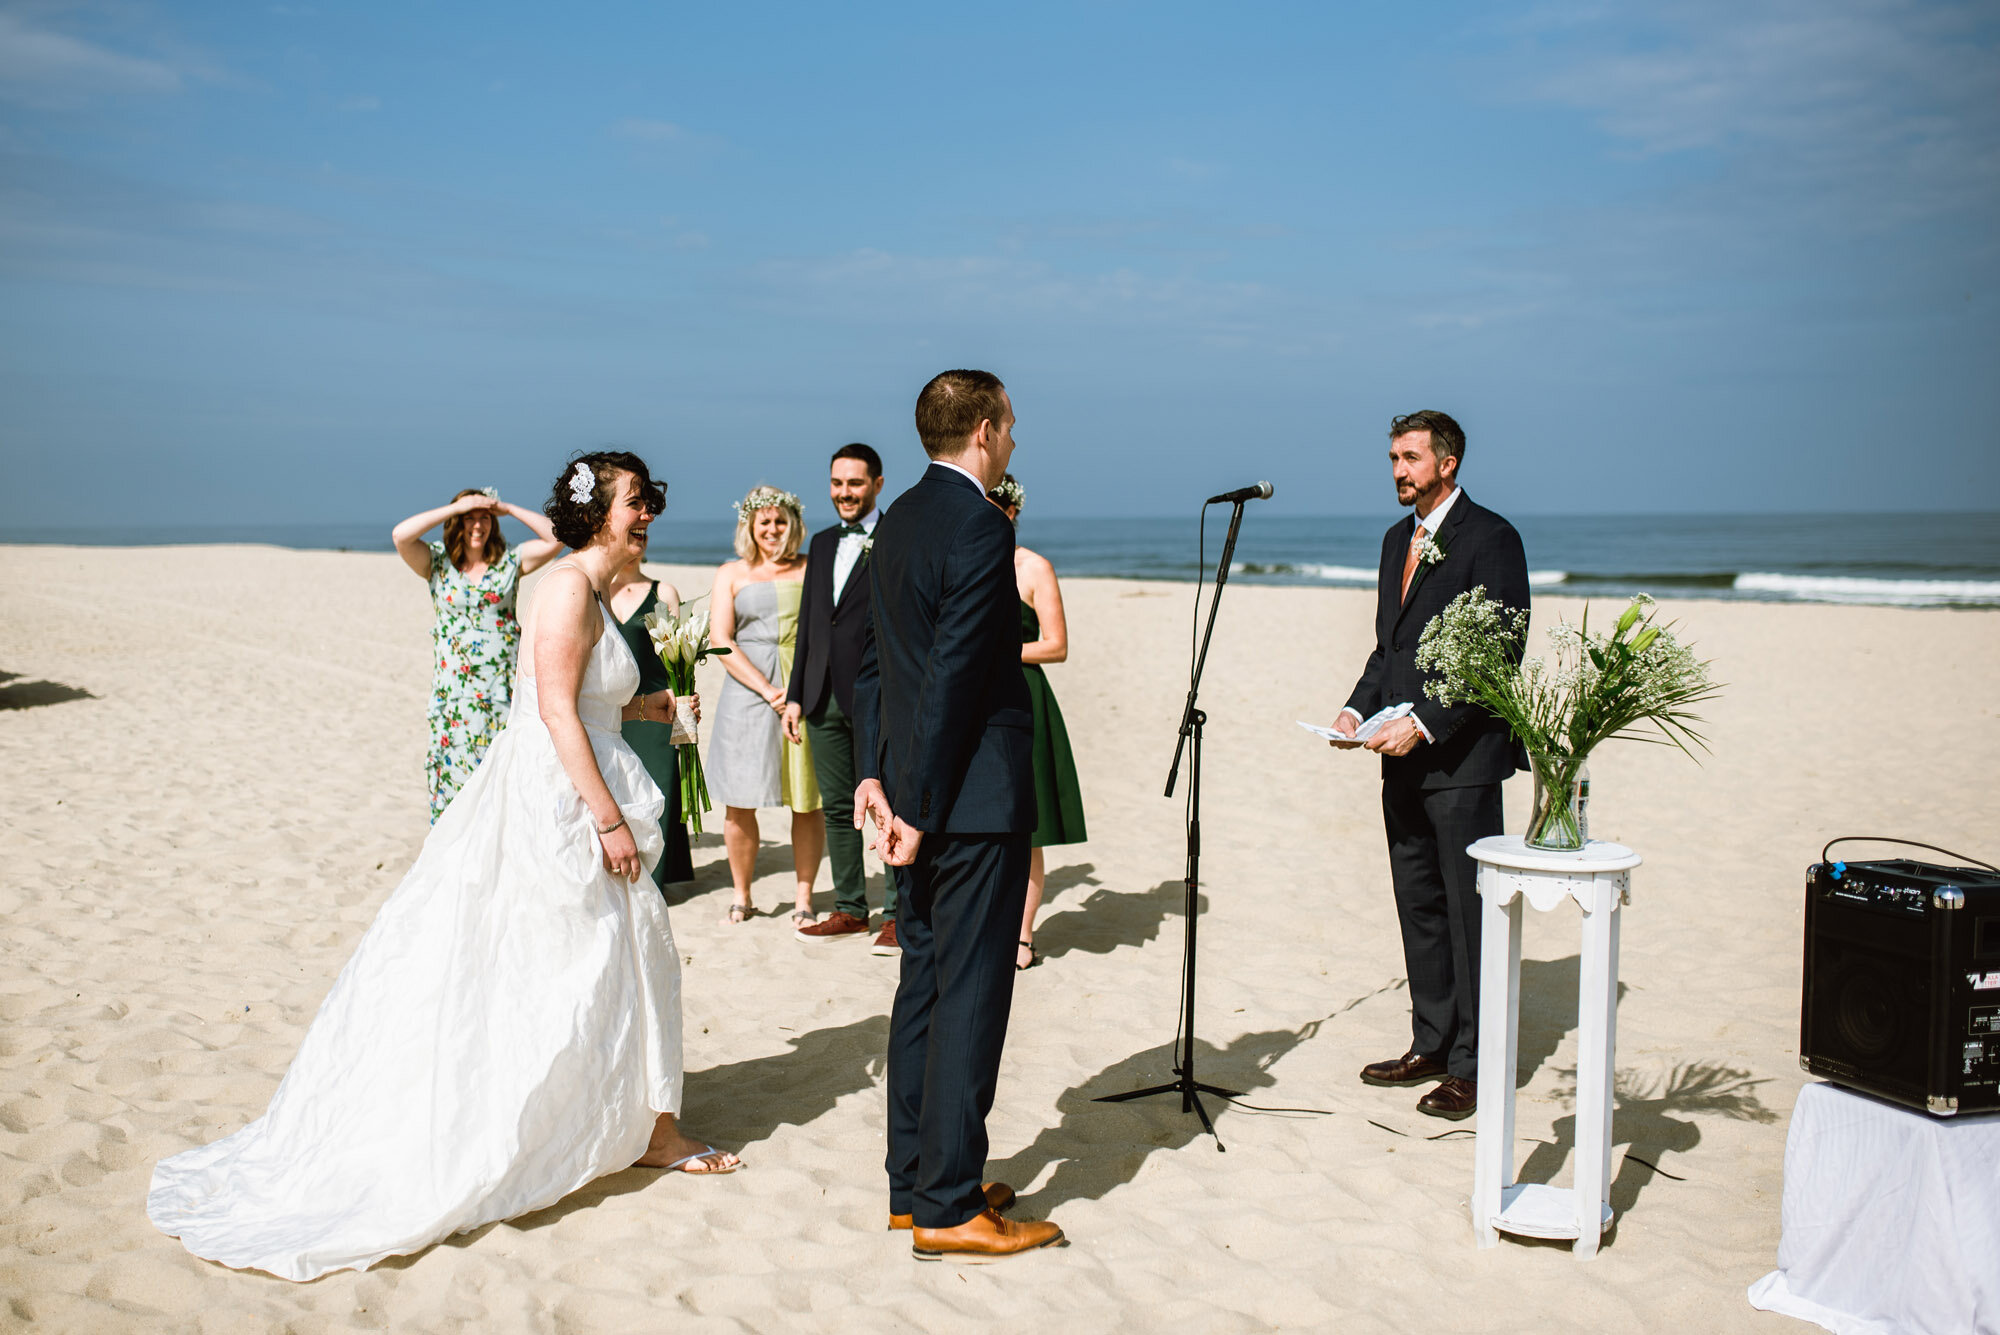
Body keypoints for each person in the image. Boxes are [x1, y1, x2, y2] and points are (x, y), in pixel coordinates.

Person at [149, 452, 738, 1283]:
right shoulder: (569, 586)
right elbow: (555, 711)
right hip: (563, 799)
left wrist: (655, 704)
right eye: (635, 504)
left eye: (649, 503)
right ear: (596, 513)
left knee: (621, 955)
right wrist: (606, 817)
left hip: (580, 779)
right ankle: (633, 1129)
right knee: (580, 956)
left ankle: (646, 1126)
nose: (648, 516)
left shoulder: (593, 589)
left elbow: (591, 698)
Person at [854, 369, 1064, 1261]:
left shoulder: (895, 518)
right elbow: (953, 675)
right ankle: (948, 1205)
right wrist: (925, 811)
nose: (1015, 436)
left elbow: (864, 657)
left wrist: (876, 777)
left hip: (913, 788)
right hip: (964, 802)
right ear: (982, 429)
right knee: (971, 992)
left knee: (924, 986)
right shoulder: (982, 523)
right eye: (1010, 422)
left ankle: (916, 1182)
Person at [1329, 411, 1531, 1122]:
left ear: (1448, 462)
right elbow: (1390, 649)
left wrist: (1425, 723)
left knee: (1469, 913)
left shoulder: (1493, 538)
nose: (1397, 470)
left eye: (1410, 457)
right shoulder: (1396, 541)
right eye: (1392, 457)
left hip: (1463, 760)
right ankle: (1434, 1042)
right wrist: (1357, 711)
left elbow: (1502, 652)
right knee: (1419, 904)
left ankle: (1478, 1065)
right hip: (1396, 757)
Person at [784, 444, 900, 953]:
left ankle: (899, 913)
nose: (844, 493)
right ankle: (852, 908)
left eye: (854, 483)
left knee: (886, 803)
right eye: (836, 483)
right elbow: (811, 623)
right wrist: (793, 696)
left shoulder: (898, 537)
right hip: (820, 694)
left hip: (881, 692)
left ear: (877, 484)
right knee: (836, 805)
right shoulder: (824, 541)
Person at [391, 488, 564, 820]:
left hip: (502, 693)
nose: (477, 525)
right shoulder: (437, 562)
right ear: (456, 522)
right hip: (454, 695)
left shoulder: (510, 562)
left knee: (505, 779)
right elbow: (400, 535)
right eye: (469, 518)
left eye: (483, 518)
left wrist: (508, 508)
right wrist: (456, 507)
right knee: (456, 786)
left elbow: (557, 536)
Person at [706, 486, 824, 928]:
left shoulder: (812, 568)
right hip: (746, 693)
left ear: (792, 523)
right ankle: (742, 894)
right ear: (749, 527)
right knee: (739, 800)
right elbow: (721, 639)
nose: (772, 530)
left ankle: (804, 896)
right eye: (763, 522)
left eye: (779, 521)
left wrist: (794, 691)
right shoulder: (730, 573)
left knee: (807, 800)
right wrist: (769, 690)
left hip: (805, 688)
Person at [987, 474, 1086, 971]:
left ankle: (1023, 937)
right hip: (971, 701)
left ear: (1011, 511)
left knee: (1028, 828)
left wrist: (993, 654)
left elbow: (1057, 646)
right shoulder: (965, 561)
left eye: (995, 505)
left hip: (1024, 697)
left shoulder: (1033, 567)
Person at [609, 536, 698, 889]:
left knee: (658, 791)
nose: (635, 544)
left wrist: (685, 723)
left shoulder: (663, 593)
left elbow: (680, 663)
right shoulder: (597, 591)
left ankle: (654, 879)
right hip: (613, 711)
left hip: (657, 709)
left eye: (640, 538)